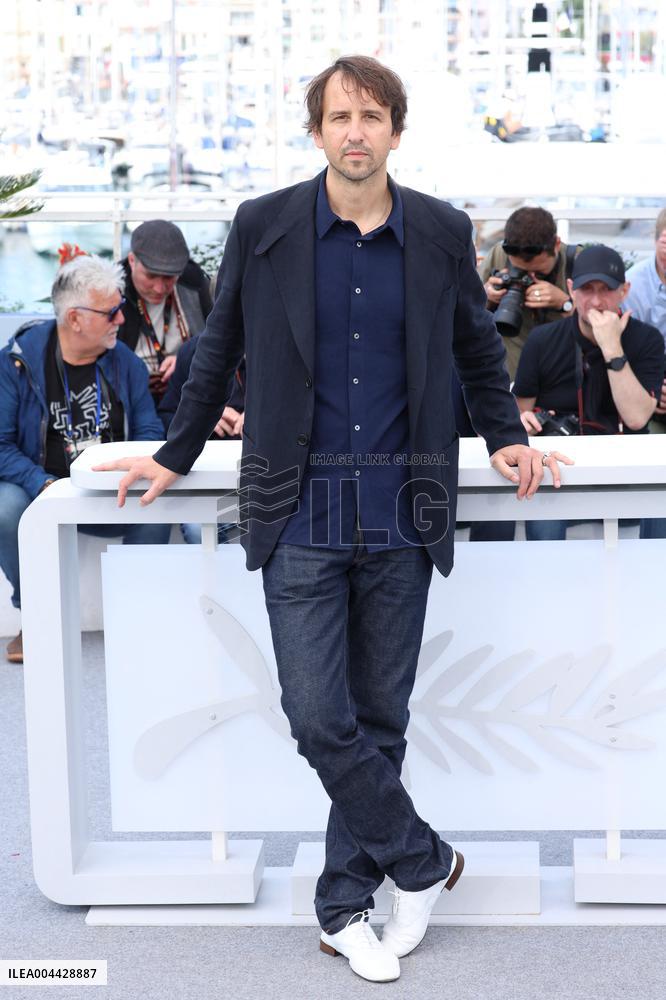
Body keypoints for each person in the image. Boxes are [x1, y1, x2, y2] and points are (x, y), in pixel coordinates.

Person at [95, 56, 568, 984]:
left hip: (406, 503)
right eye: (340, 116)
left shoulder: (438, 232)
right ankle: (423, 860)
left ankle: (344, 907)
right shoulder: (264, 226)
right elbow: (218, 346)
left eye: (374, 115)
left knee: (380, 716)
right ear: (316, 131)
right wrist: (173, 451)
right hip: (297, 507)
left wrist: (507, 436)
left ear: (397, 129)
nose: (357, 131)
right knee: (318, 714)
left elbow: (477, 349)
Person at [0, 255, 170, 664]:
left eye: (120, 309)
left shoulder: (123, 362)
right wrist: (42, 482)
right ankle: (35, 616)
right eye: (111, 312)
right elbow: (1, 445)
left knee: (158, 505)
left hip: (111, 489)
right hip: (42, 488)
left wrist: (130, 469)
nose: (120, 320)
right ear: (75, 319)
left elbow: (149, 433)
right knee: (5, 507)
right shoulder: (17, 363)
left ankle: (134, 616)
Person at [513, 244, 663, 541]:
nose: (596, 301)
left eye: (606, 290)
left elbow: (635, 419)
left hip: (628, 466)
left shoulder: (646, 339)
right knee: (543, 510)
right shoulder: (543, 341)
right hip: (560, 467)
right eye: (586, 289)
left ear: (624, 291)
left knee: (660, 501)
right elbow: (520, 410)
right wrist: (525, 418)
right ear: (571, 290)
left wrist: (611, 347)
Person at [159, 335, 245, 544]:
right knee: (196, 527)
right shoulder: (195, 349)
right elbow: (167, 414)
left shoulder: (283, 347)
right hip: (206, 477)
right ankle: (216, 578)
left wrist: (262, 417)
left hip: (267, 475)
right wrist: (200, 419)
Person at [479, 206, 578, 380]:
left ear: (556, 244)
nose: (530, 277)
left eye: (539, 273)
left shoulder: (578, 261)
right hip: (510, 374)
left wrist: (565, 303)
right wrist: (485, 297)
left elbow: (601, 325)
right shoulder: (498, 254)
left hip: (561, 374)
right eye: (520, 272)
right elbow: (467, 314)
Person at [118, 220, 213, 399]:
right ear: (132, 261)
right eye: (151, 276)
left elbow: (218, 343)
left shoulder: (196, 284)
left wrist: (185, 362)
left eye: (169, 277)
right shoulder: (112, 292)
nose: (160, 288)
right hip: (130, 396)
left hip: (188, 392)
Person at [624, 208, 666, 432]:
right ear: (655, 239)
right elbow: (624, 350)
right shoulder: (632, 285)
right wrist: (652, 388)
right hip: (645, 378)